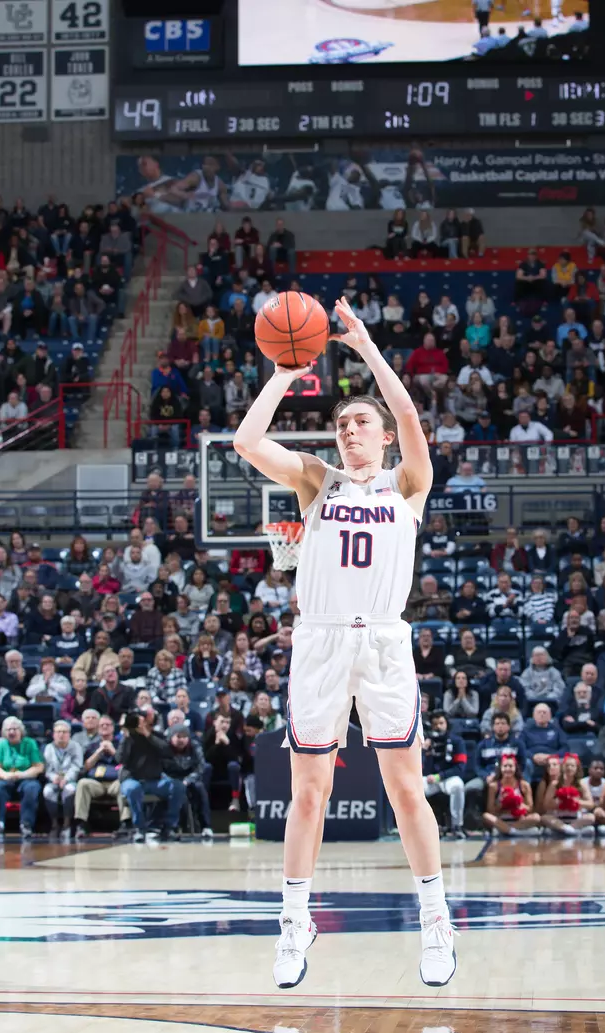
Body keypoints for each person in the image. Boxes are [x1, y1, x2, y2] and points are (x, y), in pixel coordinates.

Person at [233, 294, 457, 990]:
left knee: (404, 789)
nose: (348, 431)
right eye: (341, 424)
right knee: (308, 794)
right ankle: (293, 923)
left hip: (384, 645)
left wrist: (362, 348)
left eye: (360, 422)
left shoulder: (406, 484)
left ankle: (435, 920)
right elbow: (246, 443)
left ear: (383, 436)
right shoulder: (316, 481)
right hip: (321, 644)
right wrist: (283, 370)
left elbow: (413, 416)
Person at [117, 711, 186, 843]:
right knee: (133, 789)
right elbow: (120, 759)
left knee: (178, 786)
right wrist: (126, 737)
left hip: (155, 781)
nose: (140, 725)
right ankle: (140, 828)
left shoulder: (157, 736)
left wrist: (148, 735)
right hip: (132, 779)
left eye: (142, 721)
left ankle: (169, 827)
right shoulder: (128, 738)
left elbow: (167, 751)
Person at [74, 715, 130, 839]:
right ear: (98, 728)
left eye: (107, 725)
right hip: (97, 783)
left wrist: (112, 750)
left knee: (125, 784)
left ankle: (125, 823)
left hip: (115, 781)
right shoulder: (92, 746)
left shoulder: (121, 743)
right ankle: (81, 824)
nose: (104, 727)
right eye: (101, 725)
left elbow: (127, 764)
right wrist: (98, 752)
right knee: (83, 783)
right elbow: (86, 767)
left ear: (113, 728)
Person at [422, 712, 467, 839]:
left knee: (458, 786)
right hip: (430, 779)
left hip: (448, 778)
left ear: (447, 724)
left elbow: (460, 768)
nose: (438, 726)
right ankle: (420, 826)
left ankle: (457, 826)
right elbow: (418, 767)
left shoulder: (457, 741)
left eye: (441, 723)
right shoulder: (426, 742)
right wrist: (424, 750)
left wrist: (440, 776)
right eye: (435, 724)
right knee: (414, 788)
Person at [0, 716, 44, 839]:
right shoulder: (1, 744)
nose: (11, 732)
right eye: (8, 730)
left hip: (26, 778)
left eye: (14, 729)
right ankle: (0, 823)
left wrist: (21, 774)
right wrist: (6, 775)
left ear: (21, 731)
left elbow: (38, 767)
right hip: (5, 778)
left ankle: (26, 824)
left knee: (32, 787)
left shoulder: (30, 743)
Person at [482, 752, 540, 837]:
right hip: (501, 819)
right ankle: (516, 832)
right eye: (505, 766)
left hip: (519, 820)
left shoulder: (524, 785)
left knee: (536, 817)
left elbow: (530, 808)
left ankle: (506, 830)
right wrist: (502, 804)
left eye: (511, 766)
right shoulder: (494, 786)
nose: (508, 769)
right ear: (500, 768)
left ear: (515, 768)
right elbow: (490, 809)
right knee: (485, 816)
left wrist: (517, 804)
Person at [43, 719, 83, 841]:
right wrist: (53, 777)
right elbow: (47, 768)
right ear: (54, 734)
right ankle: (54, 824)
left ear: (69, 734)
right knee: (47, 791)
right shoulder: (49, 747)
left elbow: (77, 766)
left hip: (70, 780)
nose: (61, 734)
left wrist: (66, 778)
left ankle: (67, 824)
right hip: (54, 780)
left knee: (69, 789)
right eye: (58, 732)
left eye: (64, 732)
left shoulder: (76, 746)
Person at [540, 753, 596, 837]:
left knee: (591, 817)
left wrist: (576, 801)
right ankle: (569, 830)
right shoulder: (555, 784)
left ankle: (567, 829)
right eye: (567, 765)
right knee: (544, 818)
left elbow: (591, 804)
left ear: (577, 768)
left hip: (576, 819)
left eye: (572, 766)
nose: (569, 768)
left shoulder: (581, 784)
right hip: (558, 818)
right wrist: (559, 802)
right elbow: (546, 805)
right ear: (563, 767)